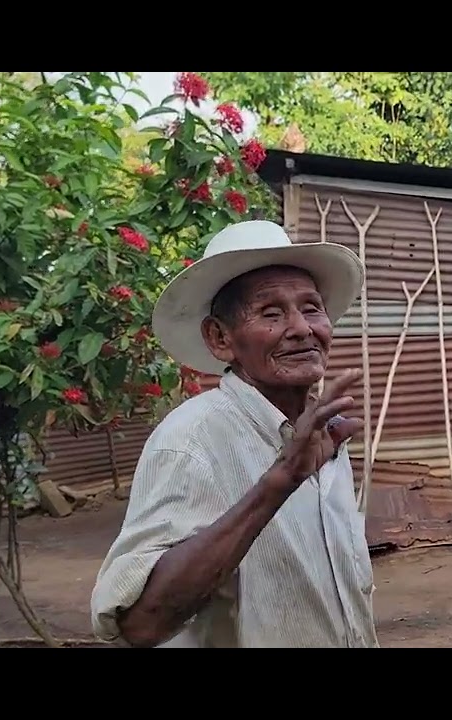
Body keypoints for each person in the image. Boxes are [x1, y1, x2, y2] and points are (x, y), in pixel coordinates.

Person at [89, 219, 380, 648]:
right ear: (220, 338)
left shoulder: (325, 435)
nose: (302, 328)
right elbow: (140, 624)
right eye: (271, 313)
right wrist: (277, 485)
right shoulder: (192, 442)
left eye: (311, 307)